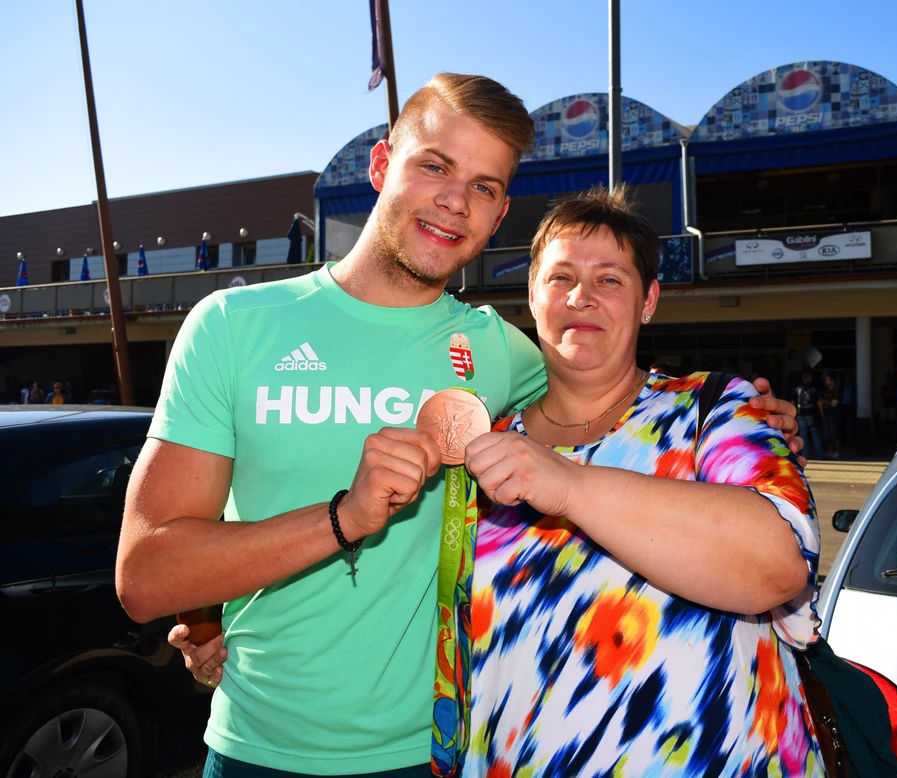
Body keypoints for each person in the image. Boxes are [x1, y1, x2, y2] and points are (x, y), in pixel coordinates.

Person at [125, 74, 802, 778]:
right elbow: (145, 576)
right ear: (383, 164)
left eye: (483, 186)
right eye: (435, 166)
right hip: (258, 749)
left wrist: (747, 421)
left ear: (499, 213)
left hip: (442, 752)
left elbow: (609, 400)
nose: (455, 200)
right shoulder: (235, 326)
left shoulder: (501, 353)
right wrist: (283, 560)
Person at [461, 188, 823, 775]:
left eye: (610, 280)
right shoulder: (481, 450)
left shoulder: (716, 409)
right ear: (531, 295)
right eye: (560, 278)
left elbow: (779, 565)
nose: (581, 296)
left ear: (648, 300)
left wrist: (570, 485)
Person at [794, 371, 824, 460]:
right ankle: (819, 455)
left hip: (800, 414)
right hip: (811, 413)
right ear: (809, 378)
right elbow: (818, 402)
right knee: (815, 434)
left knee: (803, 436)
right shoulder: (813, 388)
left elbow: (793, 401)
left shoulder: (797, 388)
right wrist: (822, 413)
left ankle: (805, 455)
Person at [819, 373, 841, 459]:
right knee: (828, 434)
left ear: (832, 381)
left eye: (828, 379)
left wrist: (824, 401)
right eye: (825, 380)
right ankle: (830, 451)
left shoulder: (836, 390)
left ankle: (837, 451)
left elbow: (834, 404)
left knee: (835, 434)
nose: (826, 381)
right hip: (826, 415)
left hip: (835, 415)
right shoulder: (824, 391)